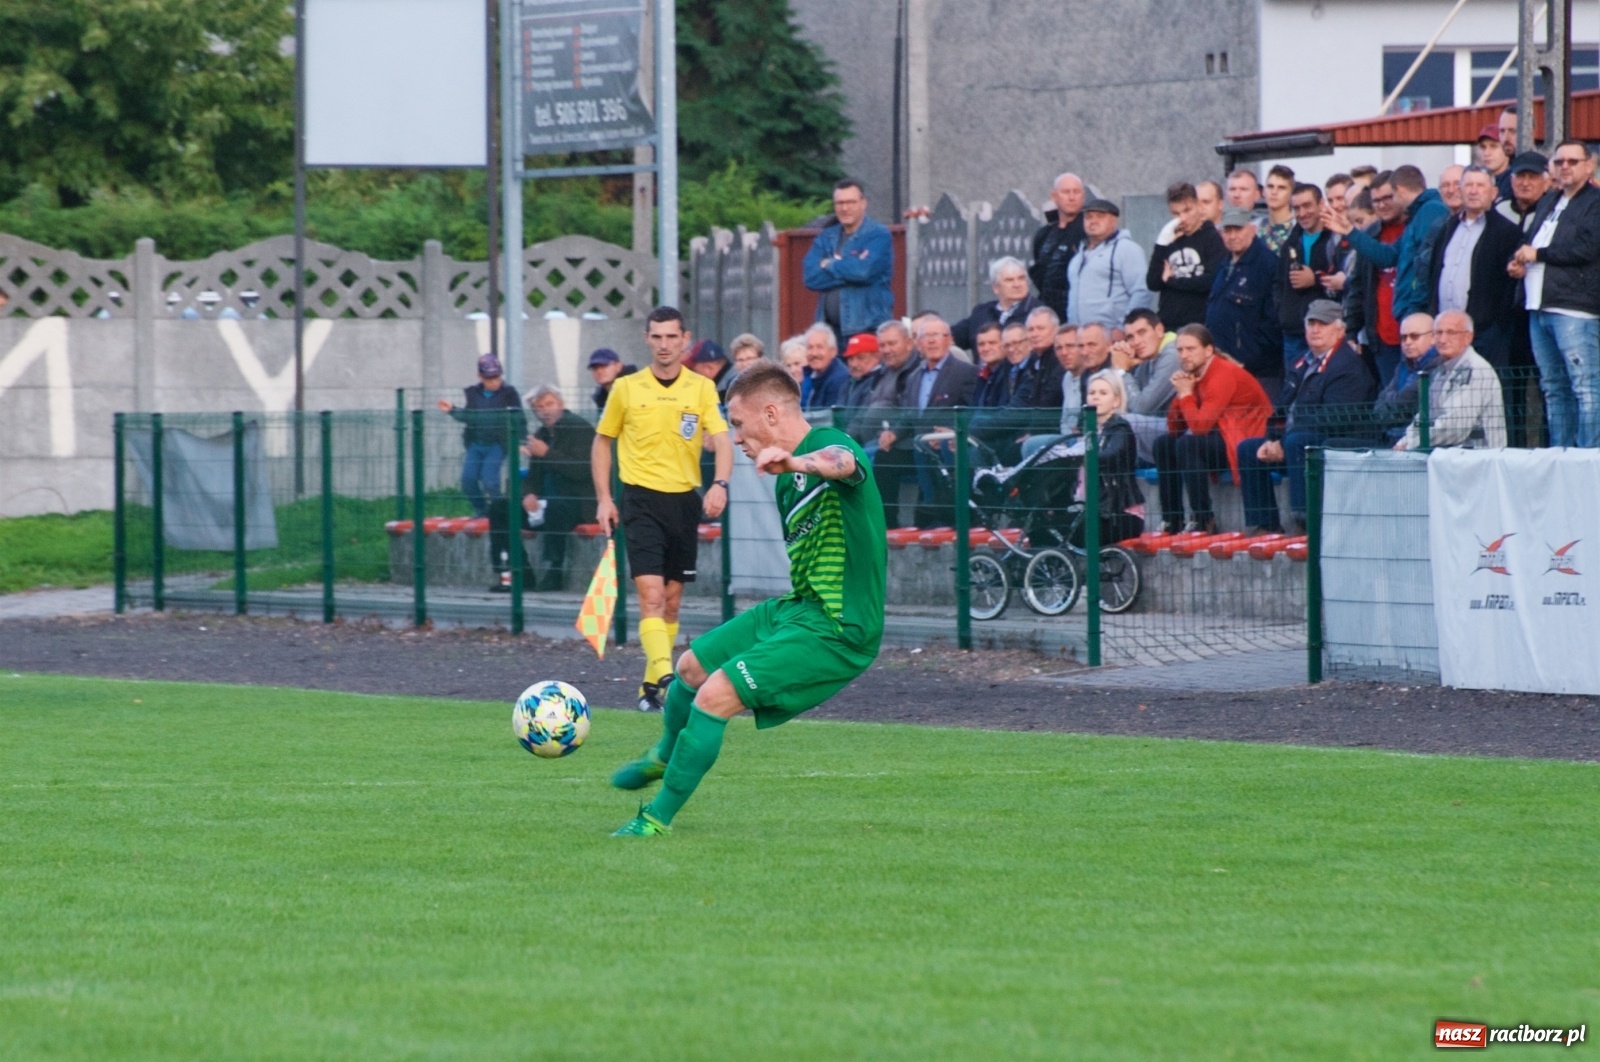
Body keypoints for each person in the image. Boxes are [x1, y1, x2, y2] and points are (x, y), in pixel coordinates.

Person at [608, 362, 886, 837]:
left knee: (715, 695)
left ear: (771, 413)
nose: (734, 438)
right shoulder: (783, 480)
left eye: (738, 424)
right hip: (799, 608)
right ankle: (664, 755)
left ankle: (655, 819)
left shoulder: (826, 444)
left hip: (840, 627)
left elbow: (844, 463)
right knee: (691, 668)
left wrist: (796, 463)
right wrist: (789, 470)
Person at [592, 306, 733, 713]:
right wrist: (605, 497)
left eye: (672, 336)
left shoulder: (701, 388)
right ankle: (669, 679)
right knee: (650, 595)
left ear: (685, 339)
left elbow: (722, 439)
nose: (665, 344)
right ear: (647, 339)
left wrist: (720, 483)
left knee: (671, 601)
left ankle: (650, 685)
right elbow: (602, 441)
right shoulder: (626, 388)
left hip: (684, 501)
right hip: (640, 500)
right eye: (657, 337)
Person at [1235, 301, 1375, 533]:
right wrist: (1272, 439)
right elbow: (1280, 409)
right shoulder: (1301, 362)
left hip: (1334, 440)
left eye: (1323, 324)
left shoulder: (1348, 366)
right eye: (1311, 323)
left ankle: (1305, 523)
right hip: (1293, 438)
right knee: (1249, 449)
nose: (1315, 329)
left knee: (1297, 442)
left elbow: (1335, 419)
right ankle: (1264, 526)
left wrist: (1283, 441)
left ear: (1340, 330)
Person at [1509, 139, 1600, 447]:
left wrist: (1537, 255)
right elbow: (1529, 242)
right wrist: (1518, 262)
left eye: (1573, 161)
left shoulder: (1595, 202)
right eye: (1559, 161)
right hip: (1538, 305)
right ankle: (1561, 452)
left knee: (1585, 387)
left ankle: (1588, 456)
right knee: (1553, 387)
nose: (1565, 167)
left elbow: (1587, 248)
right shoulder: (1550, 200)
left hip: (1575, 308)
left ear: (1589, 166)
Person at [1154, 324, 1272, 533]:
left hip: (1242, 439)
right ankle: (1172, 520)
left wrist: (1186, 395)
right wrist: (1182, 394)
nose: (1184, 355)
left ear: (1208, 350)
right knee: (1163, 444)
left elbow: (1200, 428)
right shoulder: (1194, 374)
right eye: (1180, 350)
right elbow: (1174, 429)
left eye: (1191, 349)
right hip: (1220, 435)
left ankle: (1203, 520)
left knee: (1188, 444)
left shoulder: (1222, 373)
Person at [877, 314, 976, 527]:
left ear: (949, 340)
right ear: (918, 344)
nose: (931, 341)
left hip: (946, 443)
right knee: (884, 455)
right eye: (925, 337)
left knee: (938, 453)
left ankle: (943, 517)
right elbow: (908, 414)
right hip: (918, 443)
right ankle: (886, 525)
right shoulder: (914, 377)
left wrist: (951, 430)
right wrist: (893, 432)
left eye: (936, 336)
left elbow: (973, 411)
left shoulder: (965, 372)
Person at [498, 386, 597, 591]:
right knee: (500, 509)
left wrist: (547, 453)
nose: (545, 410)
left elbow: (582, 471)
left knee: (555, 507)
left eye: (549, 404)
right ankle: (520, 572)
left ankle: (554, 572)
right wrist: (528, 494)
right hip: (546, 504)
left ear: (561, 404)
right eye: (539, 407)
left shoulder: (579, 428)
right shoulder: (540, 435)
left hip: (581, 503)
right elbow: (532, 478)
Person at [1427, 166, 1523, 369]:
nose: (1473, 191)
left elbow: (1510, 286)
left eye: (1480, 185)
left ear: (1493, 192)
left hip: (1486, 332)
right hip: (1446, 331)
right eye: (1468, 185)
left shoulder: (1507, 232)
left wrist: (1496, 326)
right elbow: (1434, 273)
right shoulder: (1447, 227)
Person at [1333, 171, 1407, 386]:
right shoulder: (1370, 234)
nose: (1382, 205)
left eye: (1387, 198)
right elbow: (1358, 287)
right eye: (1376, 200)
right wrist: (1350, 332)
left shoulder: (1415, 229)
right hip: (1381, 340)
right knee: (1389, 399)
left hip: (1415, 334)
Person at [1396, 310, 1506, 450]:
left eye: (1451, 333)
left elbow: (1455, 427)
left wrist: (1412, 443)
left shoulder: (1474, 369)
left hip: (1477, 456)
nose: (1443, 339)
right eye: (1439, 333)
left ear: (1468, 337)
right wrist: (1405, 440)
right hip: (1449, 454)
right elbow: (1425, 416)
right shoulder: (1439, 370)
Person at [802, 179, 894, 345]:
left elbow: (863, 272)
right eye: (840, 203)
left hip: (866, 328)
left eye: (851, 202)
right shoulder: (826, 236)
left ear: (863, 203)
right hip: (830, 332)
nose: (845, 208)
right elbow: (810, 277)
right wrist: (849, 269)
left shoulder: (878, 234)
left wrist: (829, 264)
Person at [438, 353, 525, 518]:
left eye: (497, 377)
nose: (494, 382)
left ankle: (499, 512)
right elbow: (469, 417)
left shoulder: (509, 393)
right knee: (468, 480)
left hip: (497, 445)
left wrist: (521, 441)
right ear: (480, 376)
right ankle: (482, 510)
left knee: (490, 480)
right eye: (489, 378)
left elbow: (519, 418)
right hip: (476, 444)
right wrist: (452, 410)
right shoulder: (473, 393)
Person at [1206, 206, 1282, 396]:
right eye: (1227, 230)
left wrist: (1248, 359)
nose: (1232, 236)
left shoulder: (1267, 264)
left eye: (1238, 229)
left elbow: (1273, 321)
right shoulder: (1225, 263)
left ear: (1252, 229)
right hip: (1224, 365)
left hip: (1257, 372)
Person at [1274, 183, 1341, 373]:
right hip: (1294, 331)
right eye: (1297, 208)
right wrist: (1283, 313)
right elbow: (1278, 283)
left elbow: (1345, 279)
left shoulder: (1335, 239)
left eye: (1307, 206)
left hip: (1326, 329)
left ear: (1321, 204)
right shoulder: (1291, 242)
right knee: (1295, 384)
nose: (1302, 213)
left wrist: (1315, 280)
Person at [1145, 182, 1227, 330]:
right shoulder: (1170, 237)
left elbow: (1211, 281)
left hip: (1200, 325)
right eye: (1176, 213)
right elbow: (1153, 283)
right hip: (1169, 324)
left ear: (1198, 206)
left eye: (1187, 210)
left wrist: (1172, 281)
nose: (1182, 218)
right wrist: (1161, 243)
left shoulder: (1212, 238)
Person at [1078, 371, 1146, 546]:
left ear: (1116, 401)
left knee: (1072, 531)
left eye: (1103, 393)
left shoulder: (1121, 429)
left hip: (1120, 514)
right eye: (1092, 393)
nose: (1096, 397)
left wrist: (1082, 457)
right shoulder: (1089, 431)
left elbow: (1112, 454)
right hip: (1096, 511)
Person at [866, 318, 923, 526]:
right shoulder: (881, 372)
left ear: (908, 343)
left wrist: (894, 433)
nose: (887, 350)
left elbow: (910, 413)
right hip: (877, 437)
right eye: (882, 345)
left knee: (876, 458)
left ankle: (885, 524)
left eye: (892, 343)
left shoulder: (917, 371)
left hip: (908, 440)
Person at [1065, 198, 1153, 328]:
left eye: (1100, 216)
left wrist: (1124, 327)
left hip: (1112, 333)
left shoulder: (1127, 249)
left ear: (1113, 221)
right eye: (1088, 217)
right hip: (1081, 335)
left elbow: (1142, 292)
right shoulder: (1078, 256)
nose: (1093, 221)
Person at [1368, 313, 1441, 447]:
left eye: (1414, 336)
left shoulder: (1437, 366)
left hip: (1415, 441)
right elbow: (1378, 407)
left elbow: (1405, 403)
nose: (1407, 342)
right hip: (1391, 437)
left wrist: (1391, 402)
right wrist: (1394, 403)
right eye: (1403, 337)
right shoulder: (1403, 365)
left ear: (1433, 338)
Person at [1029, 172, 1087, 319]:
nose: (1072, 197)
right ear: (1054, 196)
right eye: (1066, 192)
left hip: (1077, 311)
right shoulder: (1044, 234)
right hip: (1048, 312)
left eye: (1076, 192)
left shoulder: (1088, 231)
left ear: (1083, 196)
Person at [953, 256, 1041, 351]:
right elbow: (949, 337)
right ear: (996, 287)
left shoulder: (1039, 313)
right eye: (1009, 280)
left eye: (1021, 278)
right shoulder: (981, 312)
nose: (1017, 284)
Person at [840, 332, 886, 446]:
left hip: (864, 443)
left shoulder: (878, 381)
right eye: (850, 359)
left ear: (877, 357)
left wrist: (842, 442)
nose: (854, 364)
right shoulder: (848, 382)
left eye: (861, 358)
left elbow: (861, 418)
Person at [800, 323, 850, 410]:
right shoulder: (808, 375)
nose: (814, 353)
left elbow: (829, 415)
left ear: (833, 351)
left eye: (820, 347)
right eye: (810, 347)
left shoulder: (839, 379)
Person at [969, 322, 1011, 408]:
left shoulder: (1011, 374)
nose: (986, 348)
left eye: (992, 343)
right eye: (981, 344)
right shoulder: (981, 376)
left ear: (1004, 344)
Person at [1257, 164, 1296, 253]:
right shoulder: (1254, 228)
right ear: (1263, 191)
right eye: (1270, 186)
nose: (1274, 192)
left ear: (1291, 194)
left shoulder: (1299, 227)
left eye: (1281, 188)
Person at [588, 348, 636, 412]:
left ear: (618, 366)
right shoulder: (601, 396)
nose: (599, 371)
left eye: (604, 366)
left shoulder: (635, 388)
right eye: (595, 368)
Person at [1476, 124, 1513, 201]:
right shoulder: (1476, 182)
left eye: (1493, 146)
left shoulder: (1514, 182)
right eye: (1483, 147)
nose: (1486, 153)